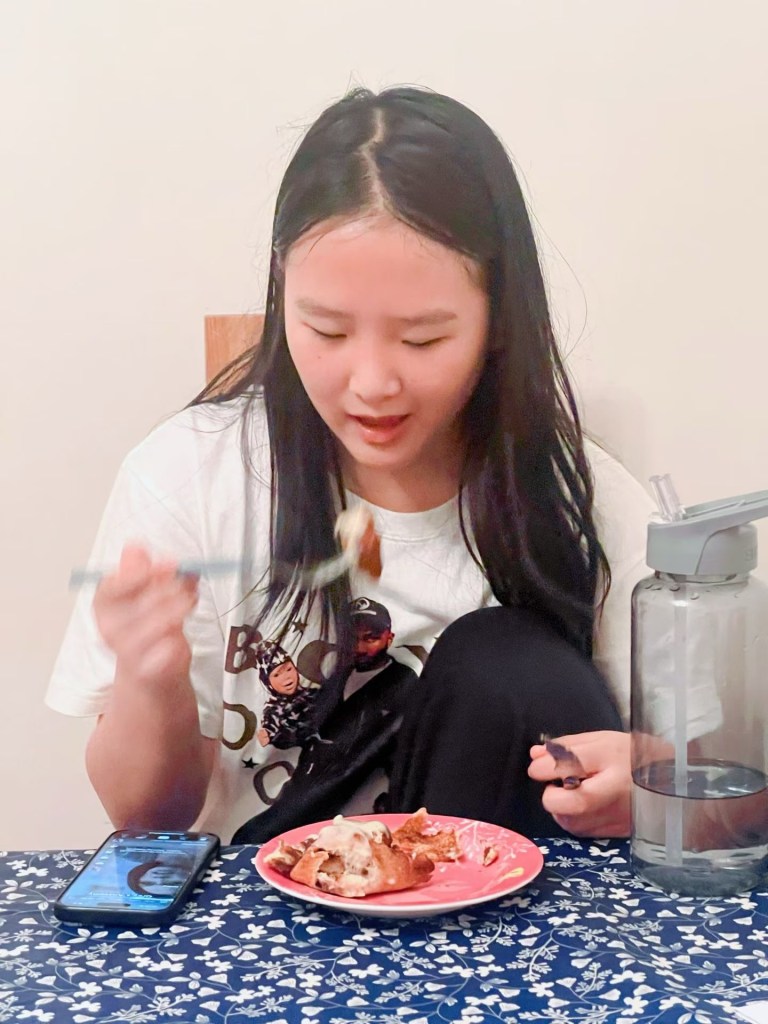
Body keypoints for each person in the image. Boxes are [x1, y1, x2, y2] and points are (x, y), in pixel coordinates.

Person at [46, 86, 654, 845]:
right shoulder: (189, 479)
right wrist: (150, 677)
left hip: (491, 905)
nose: (371, 384)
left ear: (498, 317)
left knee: (508, 658)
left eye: (423, 339)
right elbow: (145, 819)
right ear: (283, 290)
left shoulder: (578, 499)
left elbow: (726, 785)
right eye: (327, 330)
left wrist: (652, 779)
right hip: (268, 900)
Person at [124, 851, 198, 898]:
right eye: (172, 883)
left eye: (148, 883)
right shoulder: (202, 862)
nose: (160, 879)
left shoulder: (133, 851)